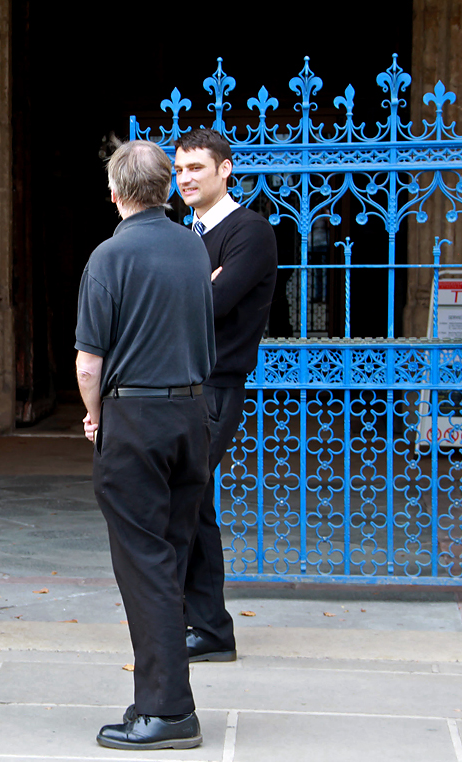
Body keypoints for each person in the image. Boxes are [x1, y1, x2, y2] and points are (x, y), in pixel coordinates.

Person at [76, 140, 215, 751]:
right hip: (191, 412)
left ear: (114, 192)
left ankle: (166, 708)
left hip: (133, 415)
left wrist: (93, 415)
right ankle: (162, 700)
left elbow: (88, 363)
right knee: (173, 556)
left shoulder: (109, 256)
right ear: (167, 188)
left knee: (145, 564)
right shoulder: (192, 245)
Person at [174, 129, 277, 663]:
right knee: (195, 503)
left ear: (225, 170)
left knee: (184, 499)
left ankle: (200, 626)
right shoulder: (184, 234)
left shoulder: (250, 232)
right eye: (179, 169)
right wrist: (195, 287)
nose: (185, 178)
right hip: (178, 382)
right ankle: (207, 627)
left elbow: (210, 308)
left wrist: (187, 292)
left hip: (215, 386)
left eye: (196, 168)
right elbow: (185, 301)